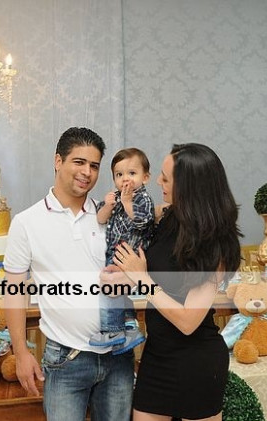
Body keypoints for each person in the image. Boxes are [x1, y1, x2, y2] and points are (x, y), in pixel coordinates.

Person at [103, 143, 242, 421]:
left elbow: (188, 321)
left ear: (189, 187)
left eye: (166, 179)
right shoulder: (166, 217)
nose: (157, 181)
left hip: (196, 363)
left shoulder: (214, 242)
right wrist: (123, 277)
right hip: (157, 355)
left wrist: (141, 279)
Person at [3, 127, 134, 421]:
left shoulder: (111, 216)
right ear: (58, 161)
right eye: (79, 162)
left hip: (118, 357)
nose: (87, 172)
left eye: (94, 166)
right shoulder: (26, 222)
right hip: (66, 360)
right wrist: (20, 353)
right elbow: (14, 291)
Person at [89, 148, 154, 354]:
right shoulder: (114, 198)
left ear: (145, 177)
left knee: (109, 290)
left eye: (132, 173)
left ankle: (112, 330)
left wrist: (126, 203)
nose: (125, 179)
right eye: (119, 174)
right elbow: (100, 219)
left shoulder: (143, 198)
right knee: (121, 293)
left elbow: (143, 221)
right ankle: (130, 326)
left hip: (130, 255)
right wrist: (108, 206)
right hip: (114, 253)